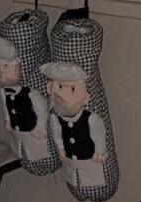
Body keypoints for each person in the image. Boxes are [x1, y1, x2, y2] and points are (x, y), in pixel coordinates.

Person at [41, 61, 109, 193]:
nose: (62, 95)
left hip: (89, 159)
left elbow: (99, 133)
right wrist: (60, 148)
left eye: (72, 89)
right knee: (72, 176)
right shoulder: (56, 118)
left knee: (93, 179)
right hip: (69, 160)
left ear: (85, 98)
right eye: (59, 87)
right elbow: (57, 134)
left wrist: (100, 150)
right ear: (50, 87)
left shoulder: (91, 119)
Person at [0, 34, 51, 166]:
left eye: (4, 67)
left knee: (35, 149)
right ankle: (21, 155)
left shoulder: (31, 93)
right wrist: (8, 119)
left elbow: (43, 109)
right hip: (16, 129)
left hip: (31, 128)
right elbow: (6, 106)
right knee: (18, 147)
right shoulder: (4, 91)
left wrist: (40, 126)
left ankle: (37, 158)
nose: (0, 71)